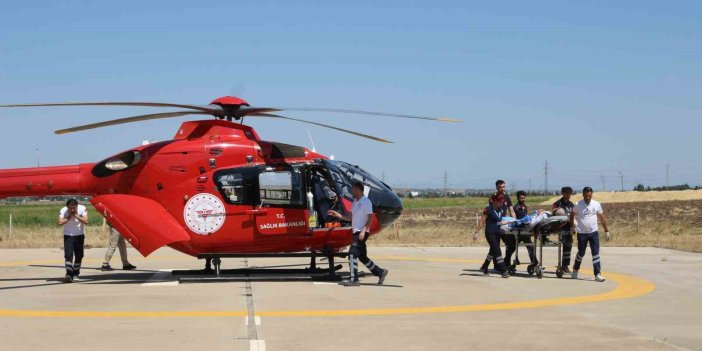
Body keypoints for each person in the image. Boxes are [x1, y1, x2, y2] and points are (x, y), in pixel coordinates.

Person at [328, 181, 389, 286]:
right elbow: (349, 218)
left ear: (358, 189)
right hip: (356, 231)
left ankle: (354, 279)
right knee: (362, 257)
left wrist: (363, 231)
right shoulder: (355, 202)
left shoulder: (366, 202)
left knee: (352, 254)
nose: (351, 190)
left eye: (353, 188)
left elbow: (370, 218)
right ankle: (380, 272)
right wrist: (337, 214)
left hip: (361, 232)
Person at [569, 187, 611, 282]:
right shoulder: (578, 204)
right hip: (582, 233)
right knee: (581, 253)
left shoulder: (596, 204)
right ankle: (575, 270)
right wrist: (572, 226)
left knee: (595, 253)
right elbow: (572, 214)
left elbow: (601, 218)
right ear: (583, 195)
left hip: (593, 233)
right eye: (586, 196)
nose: (588, 197)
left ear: (591, 195)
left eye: (589, 196)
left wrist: (606, 230)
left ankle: (597, 274)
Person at [474, 193, 511, 278]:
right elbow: (482, 221)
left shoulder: (500, 210)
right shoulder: (488, 209)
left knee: (492, 251)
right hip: (490, 233)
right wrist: (476, 232)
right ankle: (503, 271)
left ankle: (485, 266)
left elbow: (497, 221)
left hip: (497, 233)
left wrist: (504, 222)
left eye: (502, 202)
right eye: (500, 202)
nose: (501, 203)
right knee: (498, 251)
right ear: (495, 201)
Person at [503, 191, 538, 272]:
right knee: (511, 248)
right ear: (518, 198)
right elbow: (517, 219)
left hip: (524, 232)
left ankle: (535, 263)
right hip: (516, 231)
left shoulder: (525, 207)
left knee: (531, 247)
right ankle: (506, 263)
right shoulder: (516, 207)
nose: (523, 199)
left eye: (524, 197)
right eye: (521, 198)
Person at [58, 199, 88, 283]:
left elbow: (86, 221)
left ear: (77, 206)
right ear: (67, 207)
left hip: (79, 235)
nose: (72, 210)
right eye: (70, 208)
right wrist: (69, 217)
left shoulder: (82, 208)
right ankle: (69, 273)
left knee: (79, 255)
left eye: (74, 208)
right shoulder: (63, 210)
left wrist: (77, 216)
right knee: (68, 255)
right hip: (68, 235)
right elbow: (60, 223)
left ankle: (76, 273)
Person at [552, 186, 575, 273]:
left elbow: (574, 216)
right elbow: (553, 213)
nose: (568, 195)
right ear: (563, 193)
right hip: (560, 228)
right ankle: (561, 265)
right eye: (566, 193)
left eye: (569, 193)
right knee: (563, 245)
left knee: (568, 247)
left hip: (569, 228)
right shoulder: (557, 203)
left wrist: (573, 227)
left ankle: (565, 265)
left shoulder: (571, 204)